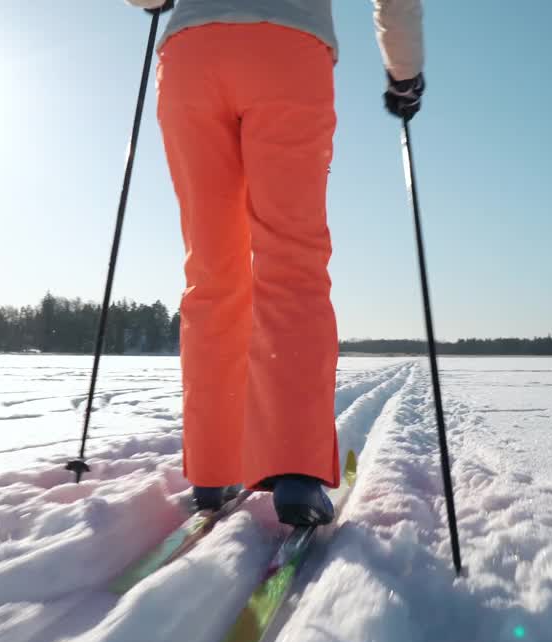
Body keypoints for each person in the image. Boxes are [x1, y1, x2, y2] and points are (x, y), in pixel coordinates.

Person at [125, 0, 426, 525]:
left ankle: (214, 469)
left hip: (192, 56)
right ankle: (295, 470)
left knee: (210, 269)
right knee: (291, 263)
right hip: (290, 52)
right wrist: (404, 73)